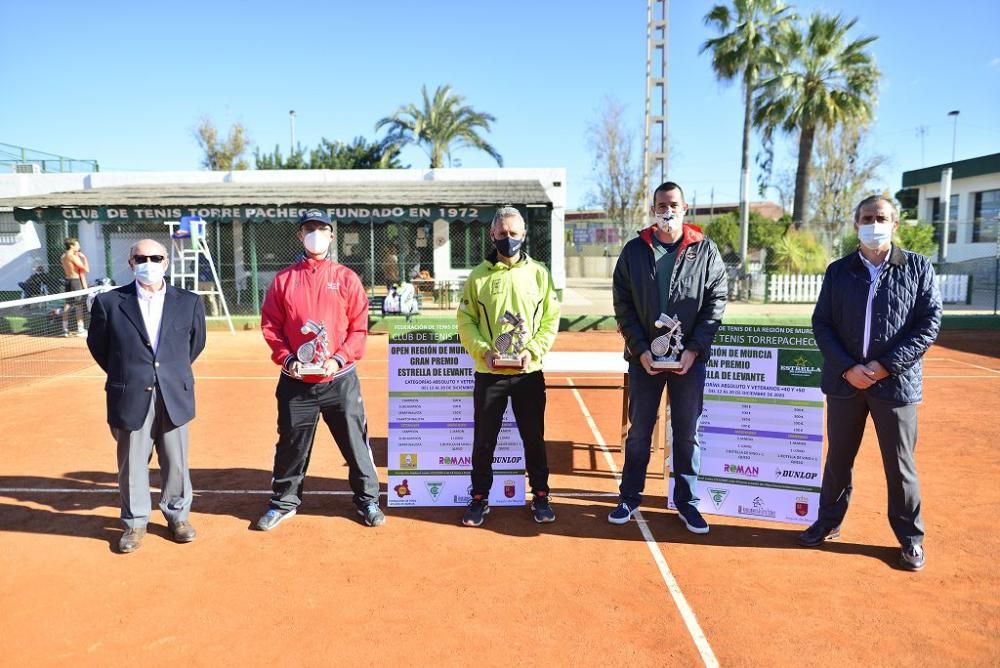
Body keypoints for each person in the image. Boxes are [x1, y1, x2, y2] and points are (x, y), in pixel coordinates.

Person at [799, 196, 941, 572]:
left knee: (900, 465)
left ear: (894, 224)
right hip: (845, 383)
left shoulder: (918, 268)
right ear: (855, 223)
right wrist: (848, 368)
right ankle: (828, 522)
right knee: (839, 460)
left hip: (895, 386)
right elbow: (822, 324)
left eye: (881, 218)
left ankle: (911, 539)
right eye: (866, 217)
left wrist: (883, 367)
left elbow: (928, 325)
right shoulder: (839, 271)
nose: (873, 223)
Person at [610, 181, 727, 533]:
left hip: (689, 362)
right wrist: (640, 349)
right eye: (661, 205)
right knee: (639, 431)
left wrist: (694, 349)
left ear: (685, 207)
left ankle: (687, 502)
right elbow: (623, 303)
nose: (667, 210)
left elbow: (716, 301)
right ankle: (629, 497)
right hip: (645, 360)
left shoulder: (705, 250)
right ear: (652, 209)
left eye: (673, 204)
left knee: (686, 433)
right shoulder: (634, 251)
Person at [256, 209, 384, 530]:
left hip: (338, 380)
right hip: (296, 380)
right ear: (300, 235)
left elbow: (358, 329)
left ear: (331, 235)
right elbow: (271, 326)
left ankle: (367, 500)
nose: (315, 234)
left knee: (355, 441)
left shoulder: (345, 278)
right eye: (308, 229)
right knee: (291, 442)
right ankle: (284, 501)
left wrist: (338, 359)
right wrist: (288, 359)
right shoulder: (284, 279)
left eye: (321, 229)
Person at [86, 239, 206, 553]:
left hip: (173, 392)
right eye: (141, 257)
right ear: (130, 263)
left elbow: (194, 345)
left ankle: (178, 517)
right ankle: (135, 523)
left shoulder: (189, 301)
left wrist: (166, 371)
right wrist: (129, 373)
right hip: (129, 392)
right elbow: (100, 348)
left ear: (166, 262)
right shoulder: (109, 302)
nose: (148, 262)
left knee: (176, 461)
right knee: (132, 463)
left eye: (156, 257)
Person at [457, 206, 560, 526]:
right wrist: (484, 351)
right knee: (484, 440)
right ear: (492, 235)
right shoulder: (478, 276)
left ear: (524, 235)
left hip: (528, 373)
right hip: (490, 374)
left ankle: (541, 495)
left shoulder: (540, 273)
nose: (508, 239)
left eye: (514, 234)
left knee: (534, 438)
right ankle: (479, 498)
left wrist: (534, 350)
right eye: (502, 234)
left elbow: (550, 319)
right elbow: (466, 320)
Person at [60, 237, 90, 336]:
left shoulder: (63, 256)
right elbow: (86, 269)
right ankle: (80, 329)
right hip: (75, 281)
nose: (79, 246)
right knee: (79, 305)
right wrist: (84, 258)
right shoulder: (73, 256)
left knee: (68, 304)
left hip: (67, 280)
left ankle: (65, 329)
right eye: (77, 245)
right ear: (72, 246)